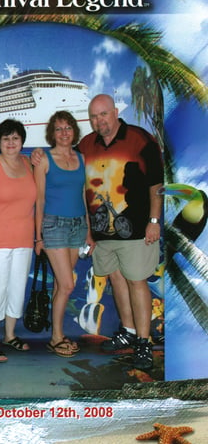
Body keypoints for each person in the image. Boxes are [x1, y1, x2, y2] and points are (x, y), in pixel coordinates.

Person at [78, 94, 164, 370]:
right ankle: (127, 330)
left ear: (115, 112)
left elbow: (156, 185)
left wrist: (154, 220)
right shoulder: (86, 144)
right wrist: (89, 231)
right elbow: (80, 186)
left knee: (137, 282)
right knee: (116, 280)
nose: (98, 120)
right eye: (93, 116)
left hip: (137, 230)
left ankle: (143, 342)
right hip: (103, 234)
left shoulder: (141, 139)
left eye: (103, 114)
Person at [0, 119, 37, 363]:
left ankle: (10, 335)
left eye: (15, 138)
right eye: (5, 139)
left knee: (16, 290)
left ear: (22, 141)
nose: (10, 143)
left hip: (23, 240)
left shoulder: (27, 163)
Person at [34, 111, 90, 358]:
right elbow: (39, 200)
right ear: (52, 133)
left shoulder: (82, 158)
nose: (64, 132)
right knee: (68, 284)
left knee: (61, 285)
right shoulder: (44, 159)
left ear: (74, 131)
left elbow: (84, 197)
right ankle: (56, 337)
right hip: (54, 226)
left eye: (68, 128)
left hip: (78, 226)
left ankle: (57, 334)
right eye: (59, 129)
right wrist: (38, 237)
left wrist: (88, 231)